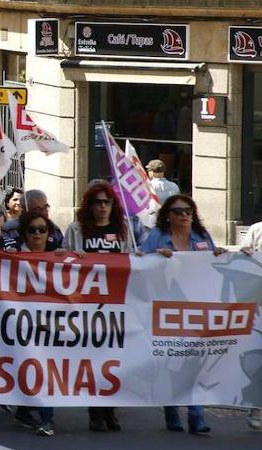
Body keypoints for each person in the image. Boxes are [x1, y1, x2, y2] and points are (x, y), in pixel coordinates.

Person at [140, 194, 225, 435]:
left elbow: (212, 263)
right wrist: (155, 257)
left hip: (197, 307)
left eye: (188, 210)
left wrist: (219, 254)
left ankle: (196, 416)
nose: (184, 215)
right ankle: (171, 408)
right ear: (168, 215)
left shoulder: (201, 236)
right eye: (178, 211)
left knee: (195, 361)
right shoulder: (156, 236)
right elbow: (138, 263)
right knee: (171, 362)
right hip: (165, 308)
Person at [63, 181, 128, 432]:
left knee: (112, 360)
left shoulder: (122, 230)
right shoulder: (77, 229)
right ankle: (95, 413)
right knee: (92, 360)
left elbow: (133, 259)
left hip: (114, 305)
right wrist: (67, 256)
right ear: (88, 206)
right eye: (97, 202)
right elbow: (63, 260)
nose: (102, 207)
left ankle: (110, 410)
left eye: (107, 202)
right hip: (86, 307)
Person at [12, 209, 58, 436]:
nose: (37, 234)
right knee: (30, 367)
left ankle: (40, 415)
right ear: (24, 234)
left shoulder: (58, 258)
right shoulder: (12, 257)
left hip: (48, 325)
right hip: (21, 324)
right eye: (32, 230)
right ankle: (39, 415)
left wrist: (78, 257)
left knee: (43, 368)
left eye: (42, 230)